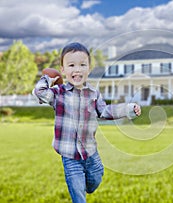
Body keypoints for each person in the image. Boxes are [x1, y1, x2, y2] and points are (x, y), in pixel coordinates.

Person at [33, 42, 141, 203]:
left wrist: (129, 109)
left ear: (89, 69)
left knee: (95, 179)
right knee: (78, 195)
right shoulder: (58, 94)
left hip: (91, 153)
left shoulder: (93, 94)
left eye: (82, 65)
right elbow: (40, 92)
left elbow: (105, 111)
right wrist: (48, 78)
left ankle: (89, 184)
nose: (77, 69)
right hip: (70, 156)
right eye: (71, 65)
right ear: (63, 70)